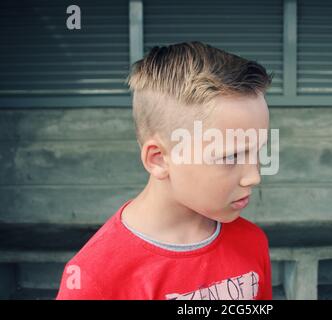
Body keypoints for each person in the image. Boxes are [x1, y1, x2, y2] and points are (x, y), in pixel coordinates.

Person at [56, 41, 273, 300]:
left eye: (257, 151)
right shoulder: (94, 278)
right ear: (159, 159)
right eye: (230, 156)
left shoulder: (252, 242)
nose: (254, 176)